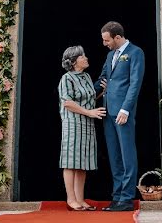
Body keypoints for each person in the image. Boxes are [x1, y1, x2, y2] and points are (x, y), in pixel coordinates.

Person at [95, 21, 144, 212]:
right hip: (107, 111)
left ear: (117, 37)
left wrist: (126, 109)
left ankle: (127, 198)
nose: (105, 43)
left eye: (107, 40)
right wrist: (81, 93)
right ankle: (117, 197)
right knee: (114, 156)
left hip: (122, 113)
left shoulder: (135, 53)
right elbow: (102, 80)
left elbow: (135, 83)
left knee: (127, 155)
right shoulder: (109, 55)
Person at [58, 45, 106, 211]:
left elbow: (90, 98)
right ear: (73, 62)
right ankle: (71, 199)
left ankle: (80, 199)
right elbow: (68, 102)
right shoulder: (67, 78)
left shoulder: (86, 76)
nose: (86, 58)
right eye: (82, 56)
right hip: (72, 123)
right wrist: (89, 112)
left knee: (82, 162)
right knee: (71, 161)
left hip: (87, 123)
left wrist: (102, 92)